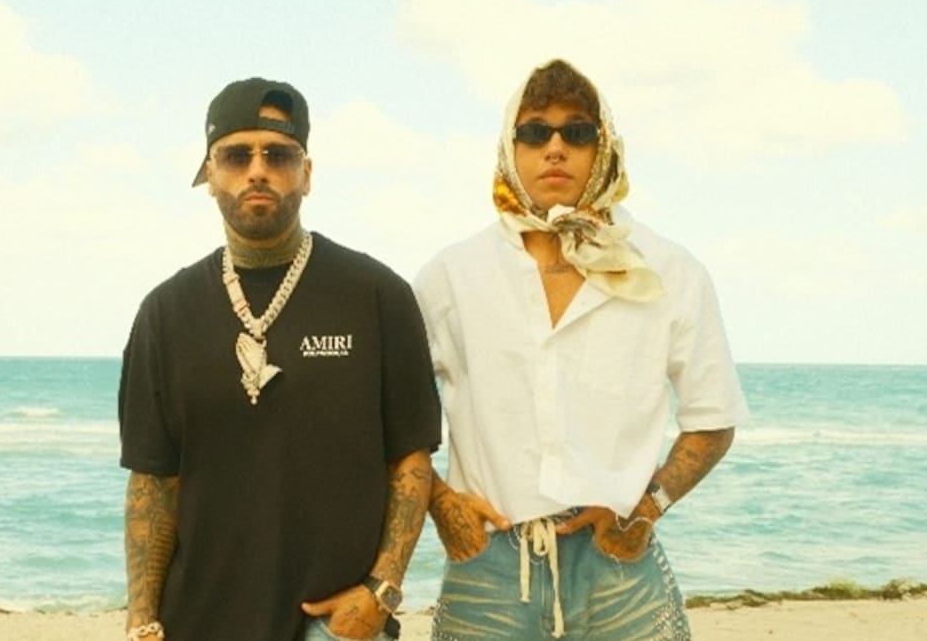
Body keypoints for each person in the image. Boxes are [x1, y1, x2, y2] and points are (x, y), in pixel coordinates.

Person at [412, 59, 749, 640]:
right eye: (534, 131)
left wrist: (647, 507)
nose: (555, 148)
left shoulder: (667, 269)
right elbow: (391, 415)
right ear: (509, 147)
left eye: (577, 131)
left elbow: (713, 417)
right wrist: (442, 504)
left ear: (604, 145)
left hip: (617, 563)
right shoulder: (453, 275)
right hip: (489, 565)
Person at [118, 77, 442, 641]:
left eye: (278, 155)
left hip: (336, 627)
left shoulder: (377, 296)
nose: (257, 170)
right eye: (236, 156)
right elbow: (153, 484)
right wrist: (141, 618)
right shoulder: (165, 314)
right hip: (197, 624)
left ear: (307, 173)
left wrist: (382, 590)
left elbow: (410, 460)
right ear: (210, 175)